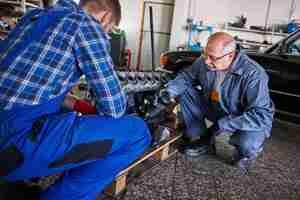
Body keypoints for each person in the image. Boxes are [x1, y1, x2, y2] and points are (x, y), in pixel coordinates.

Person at [0, 0, 151, 199]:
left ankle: (13, 187)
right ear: (105, 17)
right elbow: (114, 107)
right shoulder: (86, 25)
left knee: (63, 112)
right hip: (11, 145)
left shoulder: (35, 17)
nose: (106, 35)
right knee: (138, 133)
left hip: (9, 124)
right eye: (109, 30)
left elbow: (34, 91)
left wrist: (80, 105)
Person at [166, 32, 275, 171]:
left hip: (243, 117)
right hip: (216, 106)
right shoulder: (206, 60)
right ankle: (202, 138)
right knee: (186, 91)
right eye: (205, 54)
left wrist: (225, 123)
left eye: (212, 57)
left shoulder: (254, 74)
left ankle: (248, 152)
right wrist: (168, 92)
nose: (206, 61)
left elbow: (262, 115)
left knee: (247, 144)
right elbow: (187, 76)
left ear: (230, 56)